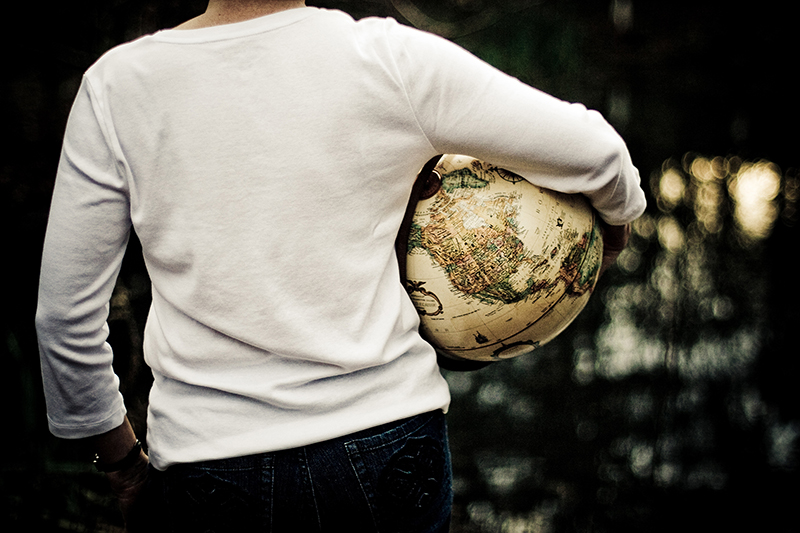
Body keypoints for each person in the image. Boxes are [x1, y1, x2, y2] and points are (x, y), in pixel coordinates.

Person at [35, 1, 646, 531]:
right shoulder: (387, 59)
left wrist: (120, 466)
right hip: (389, 451)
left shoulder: (118, 86)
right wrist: (611, 230)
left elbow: (64, 320)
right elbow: (599, 155)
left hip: (210, 464)